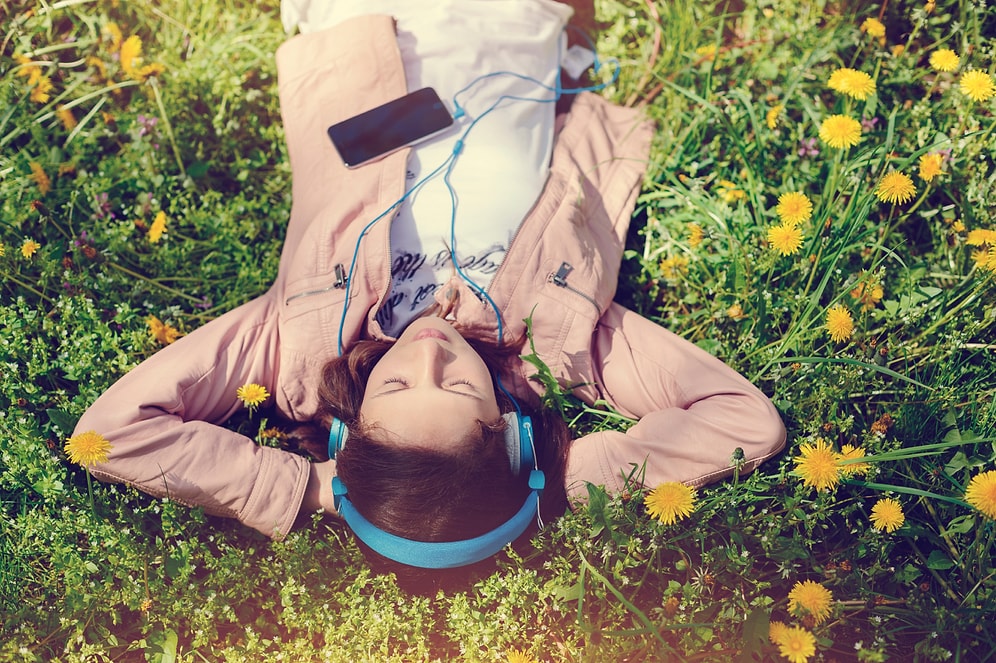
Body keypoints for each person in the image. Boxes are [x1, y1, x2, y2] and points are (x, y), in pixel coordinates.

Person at [73, 0, 786, 592]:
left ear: (349, 425)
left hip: (361, 21)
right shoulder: (558, 339)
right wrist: (567, 478)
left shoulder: (299, 343)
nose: (428, 353)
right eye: (457, 388)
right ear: (511, 430)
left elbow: (113, 434)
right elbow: (746, 424)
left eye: (395, 387)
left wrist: (308, 490)